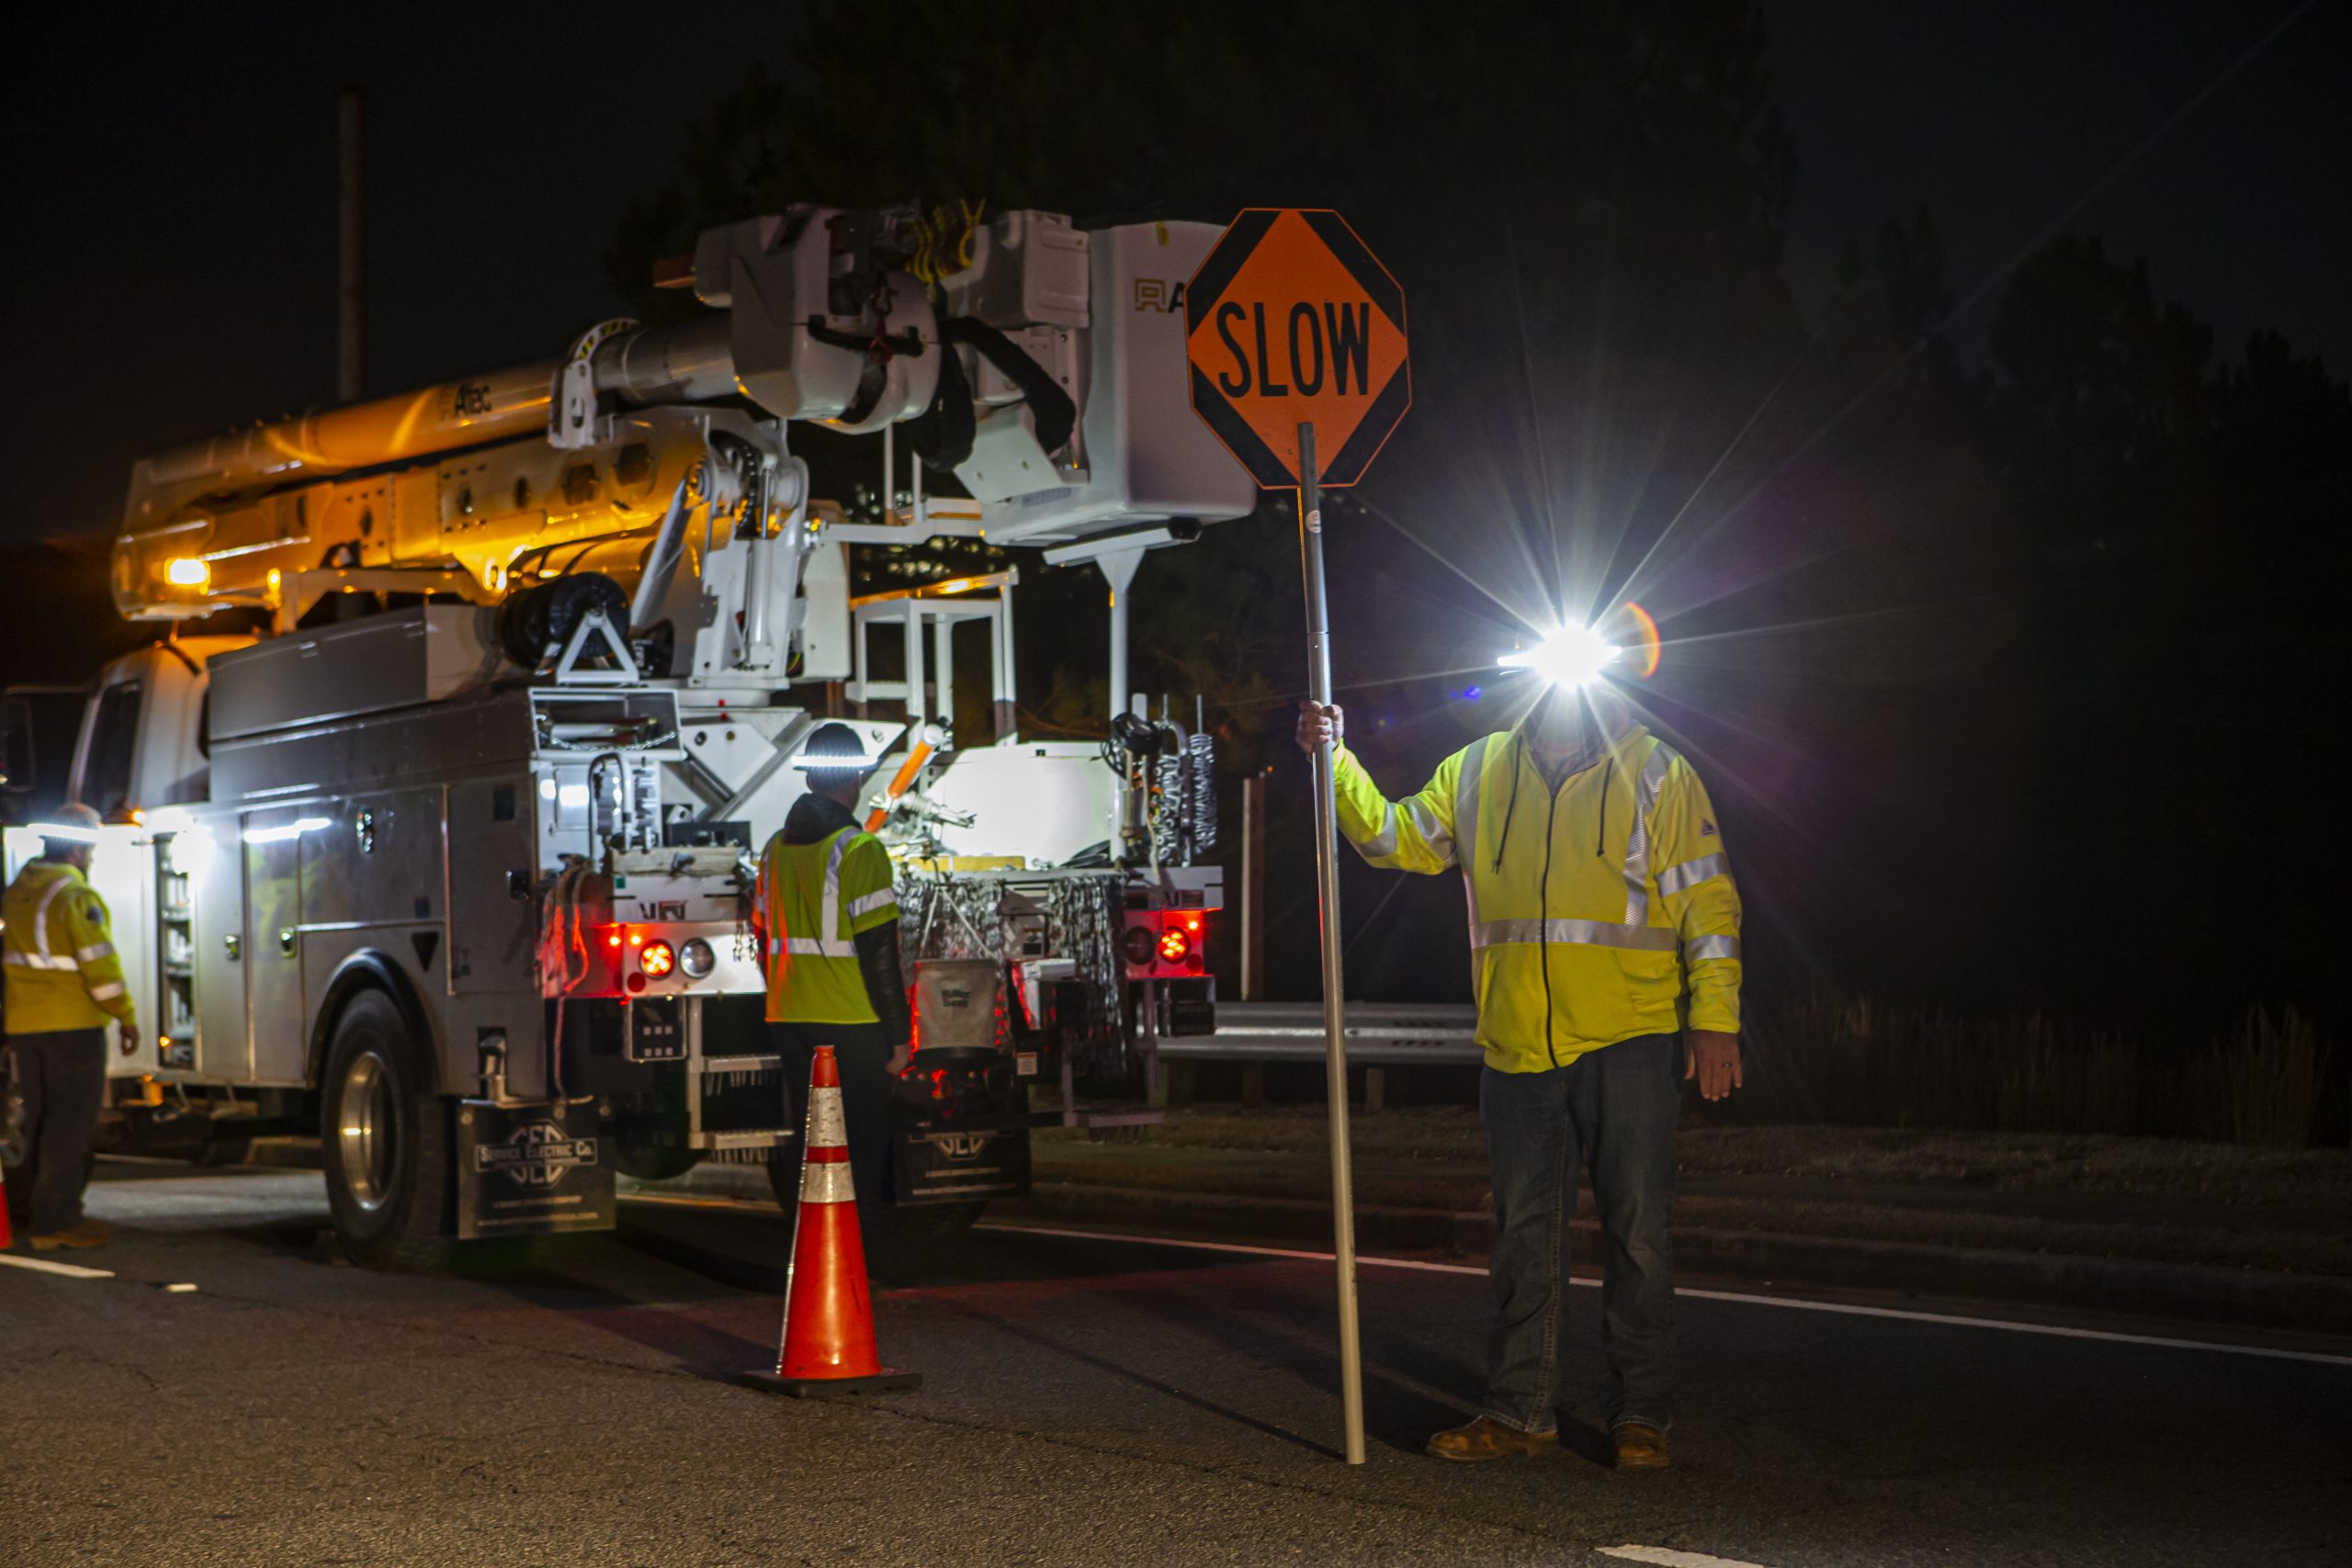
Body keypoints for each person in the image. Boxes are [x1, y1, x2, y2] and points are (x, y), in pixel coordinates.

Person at [1297, 681, 1742, 1470]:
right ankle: (1518, 1410)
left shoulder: (1657, 771)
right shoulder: (1478, 769)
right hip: (1515, 1046)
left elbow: (1708, 902)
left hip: (1628, 1035)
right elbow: (1397, 838)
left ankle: (1641, 1413)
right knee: (1522, 1241)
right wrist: (1335, 761)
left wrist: (1716, 1018)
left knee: (1638, 1235)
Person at [753, 723, 911, 1219]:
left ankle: (813, 1245)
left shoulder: (774, 849)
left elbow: (762, 938)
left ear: (808, 781)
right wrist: (899, 1036)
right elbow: (879, 951)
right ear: (858, 779)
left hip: (789, 1017)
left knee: (815, 1143)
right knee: (861, 1146)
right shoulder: (860, 849)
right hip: (852, 1023)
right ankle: (849, 1256)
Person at [3, 802, 138, 1250]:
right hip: (73, 1027)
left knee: (34, 1121)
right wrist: (125, 1015)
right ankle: (56, 1222)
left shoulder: (18, 891)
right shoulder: (75, 896)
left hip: (24, 1026)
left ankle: (27, 1216)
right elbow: (100, 968)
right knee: (70, 1123)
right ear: (79, 850)